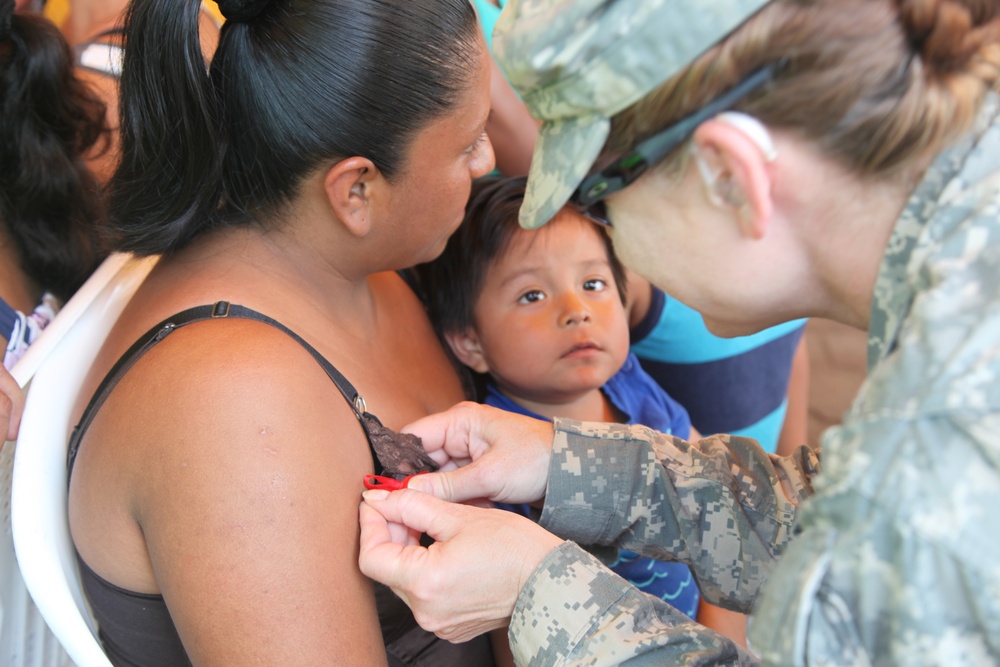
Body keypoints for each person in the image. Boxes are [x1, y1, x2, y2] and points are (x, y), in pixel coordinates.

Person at [358, 0, 1000, 664]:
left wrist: (539, 594)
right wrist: (573, 466)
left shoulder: (942, 423)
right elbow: (840, 528)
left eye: (598, 200)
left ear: (729, 174)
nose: (614, 251)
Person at [66, 0, 497, 664]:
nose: (488, 159)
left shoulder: (342, 256)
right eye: (468, 141)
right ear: (356, 190)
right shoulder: (230, 408)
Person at [415, 175, 727, 650]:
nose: (577, 309)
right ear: (470, 342)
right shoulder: (491, 459)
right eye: (532, 296)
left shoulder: (631, 385)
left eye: (594, 283)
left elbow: (716, 505)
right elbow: (510, 626)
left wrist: (723, 633)